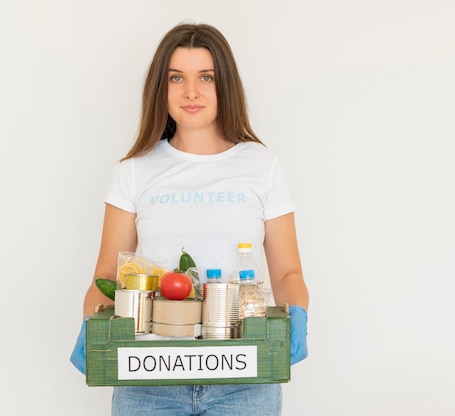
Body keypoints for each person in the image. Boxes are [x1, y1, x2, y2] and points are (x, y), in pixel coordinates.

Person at [70, 22, 309, 415]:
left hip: (243, 375)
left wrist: (296, 315)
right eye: (176, 77)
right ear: (160, 89)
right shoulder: (135, 170)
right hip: (148, 375)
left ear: (225, 85)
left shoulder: (261, 165)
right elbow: (107, 274)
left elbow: (287, 274)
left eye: (206, 77)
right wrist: (93, 325)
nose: (191, 91)